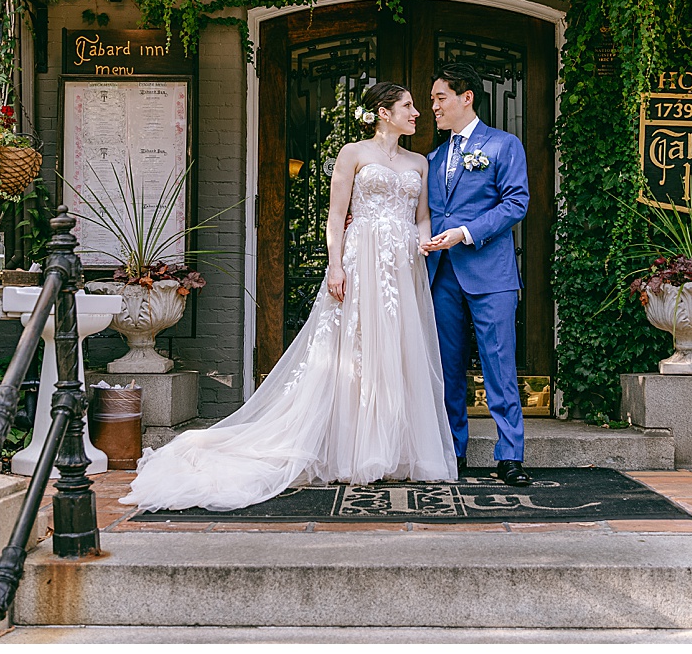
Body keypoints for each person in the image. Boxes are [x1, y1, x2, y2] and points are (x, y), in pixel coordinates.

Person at [122, 82, 455, 513]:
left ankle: (394, 449)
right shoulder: (353, 153)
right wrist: (336, 265)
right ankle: (353, 449)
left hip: (401, 266)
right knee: (353, 350)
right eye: (408, 106)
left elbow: (422, 215)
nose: (416, 113)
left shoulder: (419, 161)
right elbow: (336, 215)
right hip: (360, 261)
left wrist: (426, 244)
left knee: (397, 351)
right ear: (383, 112)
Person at [422, 62, 533, 487]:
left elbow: (515, 203)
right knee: (448, 368)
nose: (433, 106)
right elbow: (426, 212)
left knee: (499, 365)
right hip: (442, 276)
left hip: (491, 273)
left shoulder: (504, 145)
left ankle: (510, 456)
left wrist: (465, 232)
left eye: (440, 98)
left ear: (466, 98)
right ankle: (454, 451)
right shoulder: (433, 157)